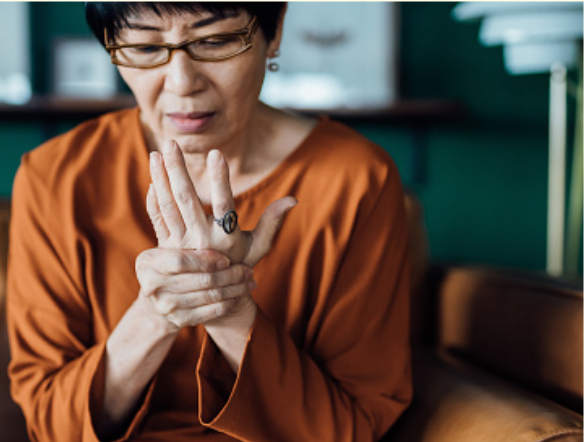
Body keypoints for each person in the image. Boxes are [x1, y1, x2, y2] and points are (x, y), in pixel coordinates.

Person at [7, 2, 412, 441]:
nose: (182, 83)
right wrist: (156, 314)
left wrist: (230, 307)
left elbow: (351, 428)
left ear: (273, 34)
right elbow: (52, 425)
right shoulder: (56, 176)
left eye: (216, 41)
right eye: (144, 47)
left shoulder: (356, 179)